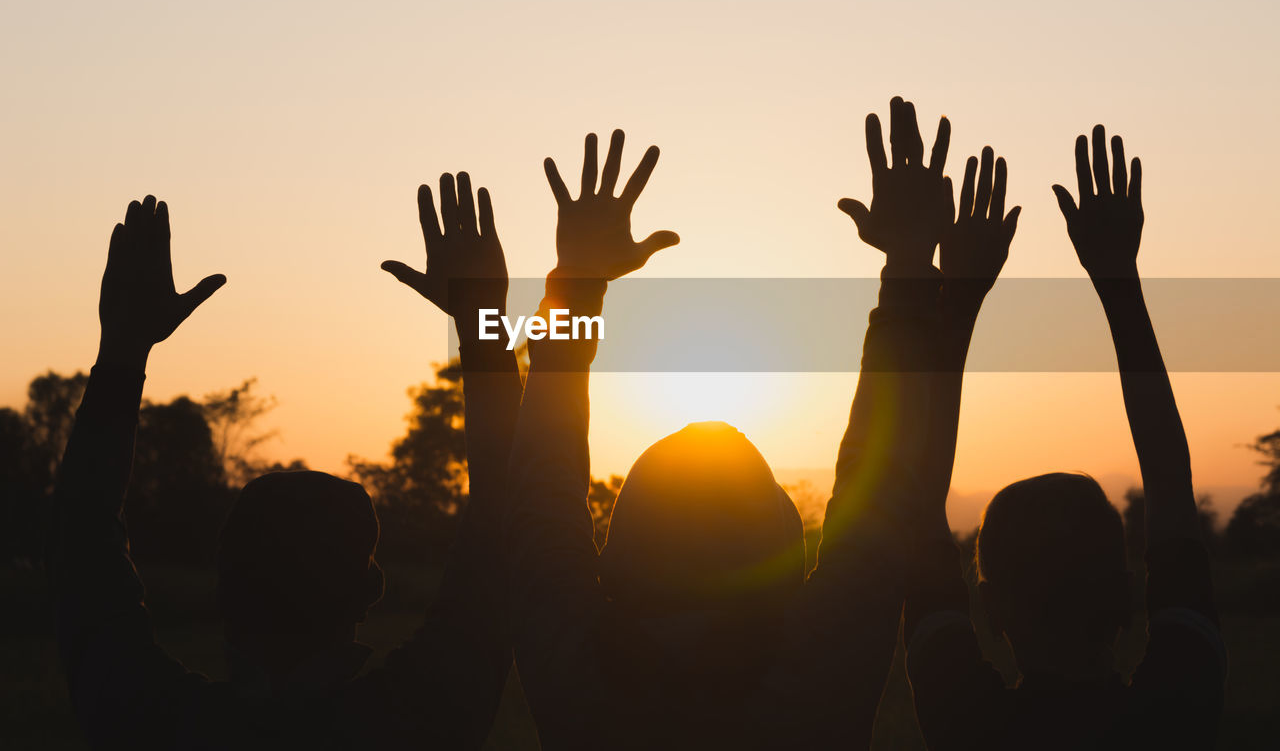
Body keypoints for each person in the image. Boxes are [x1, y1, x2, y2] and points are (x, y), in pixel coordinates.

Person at [504, 101, 981, 749]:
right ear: (783, 556)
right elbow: (884, 480)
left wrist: (578, 287)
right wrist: (906, 267)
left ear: (615, 562)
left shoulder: (578, 685)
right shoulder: (816, 687)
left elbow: (540, 488)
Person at [49, 180, 520, 749]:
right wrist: (482, 324)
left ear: (220, 588)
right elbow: (505, 515)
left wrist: (123, 351)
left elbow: (81, 537)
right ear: (371, 590)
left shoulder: (149, 720)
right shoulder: (420, 719)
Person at [904, 127, 1227, 749]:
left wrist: (960, 301)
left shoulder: (965, 723)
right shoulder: (1179, 709)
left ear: (993, 611)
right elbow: (1169, 479)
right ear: (1128, 592)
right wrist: (1118, 280)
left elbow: (914, 498)